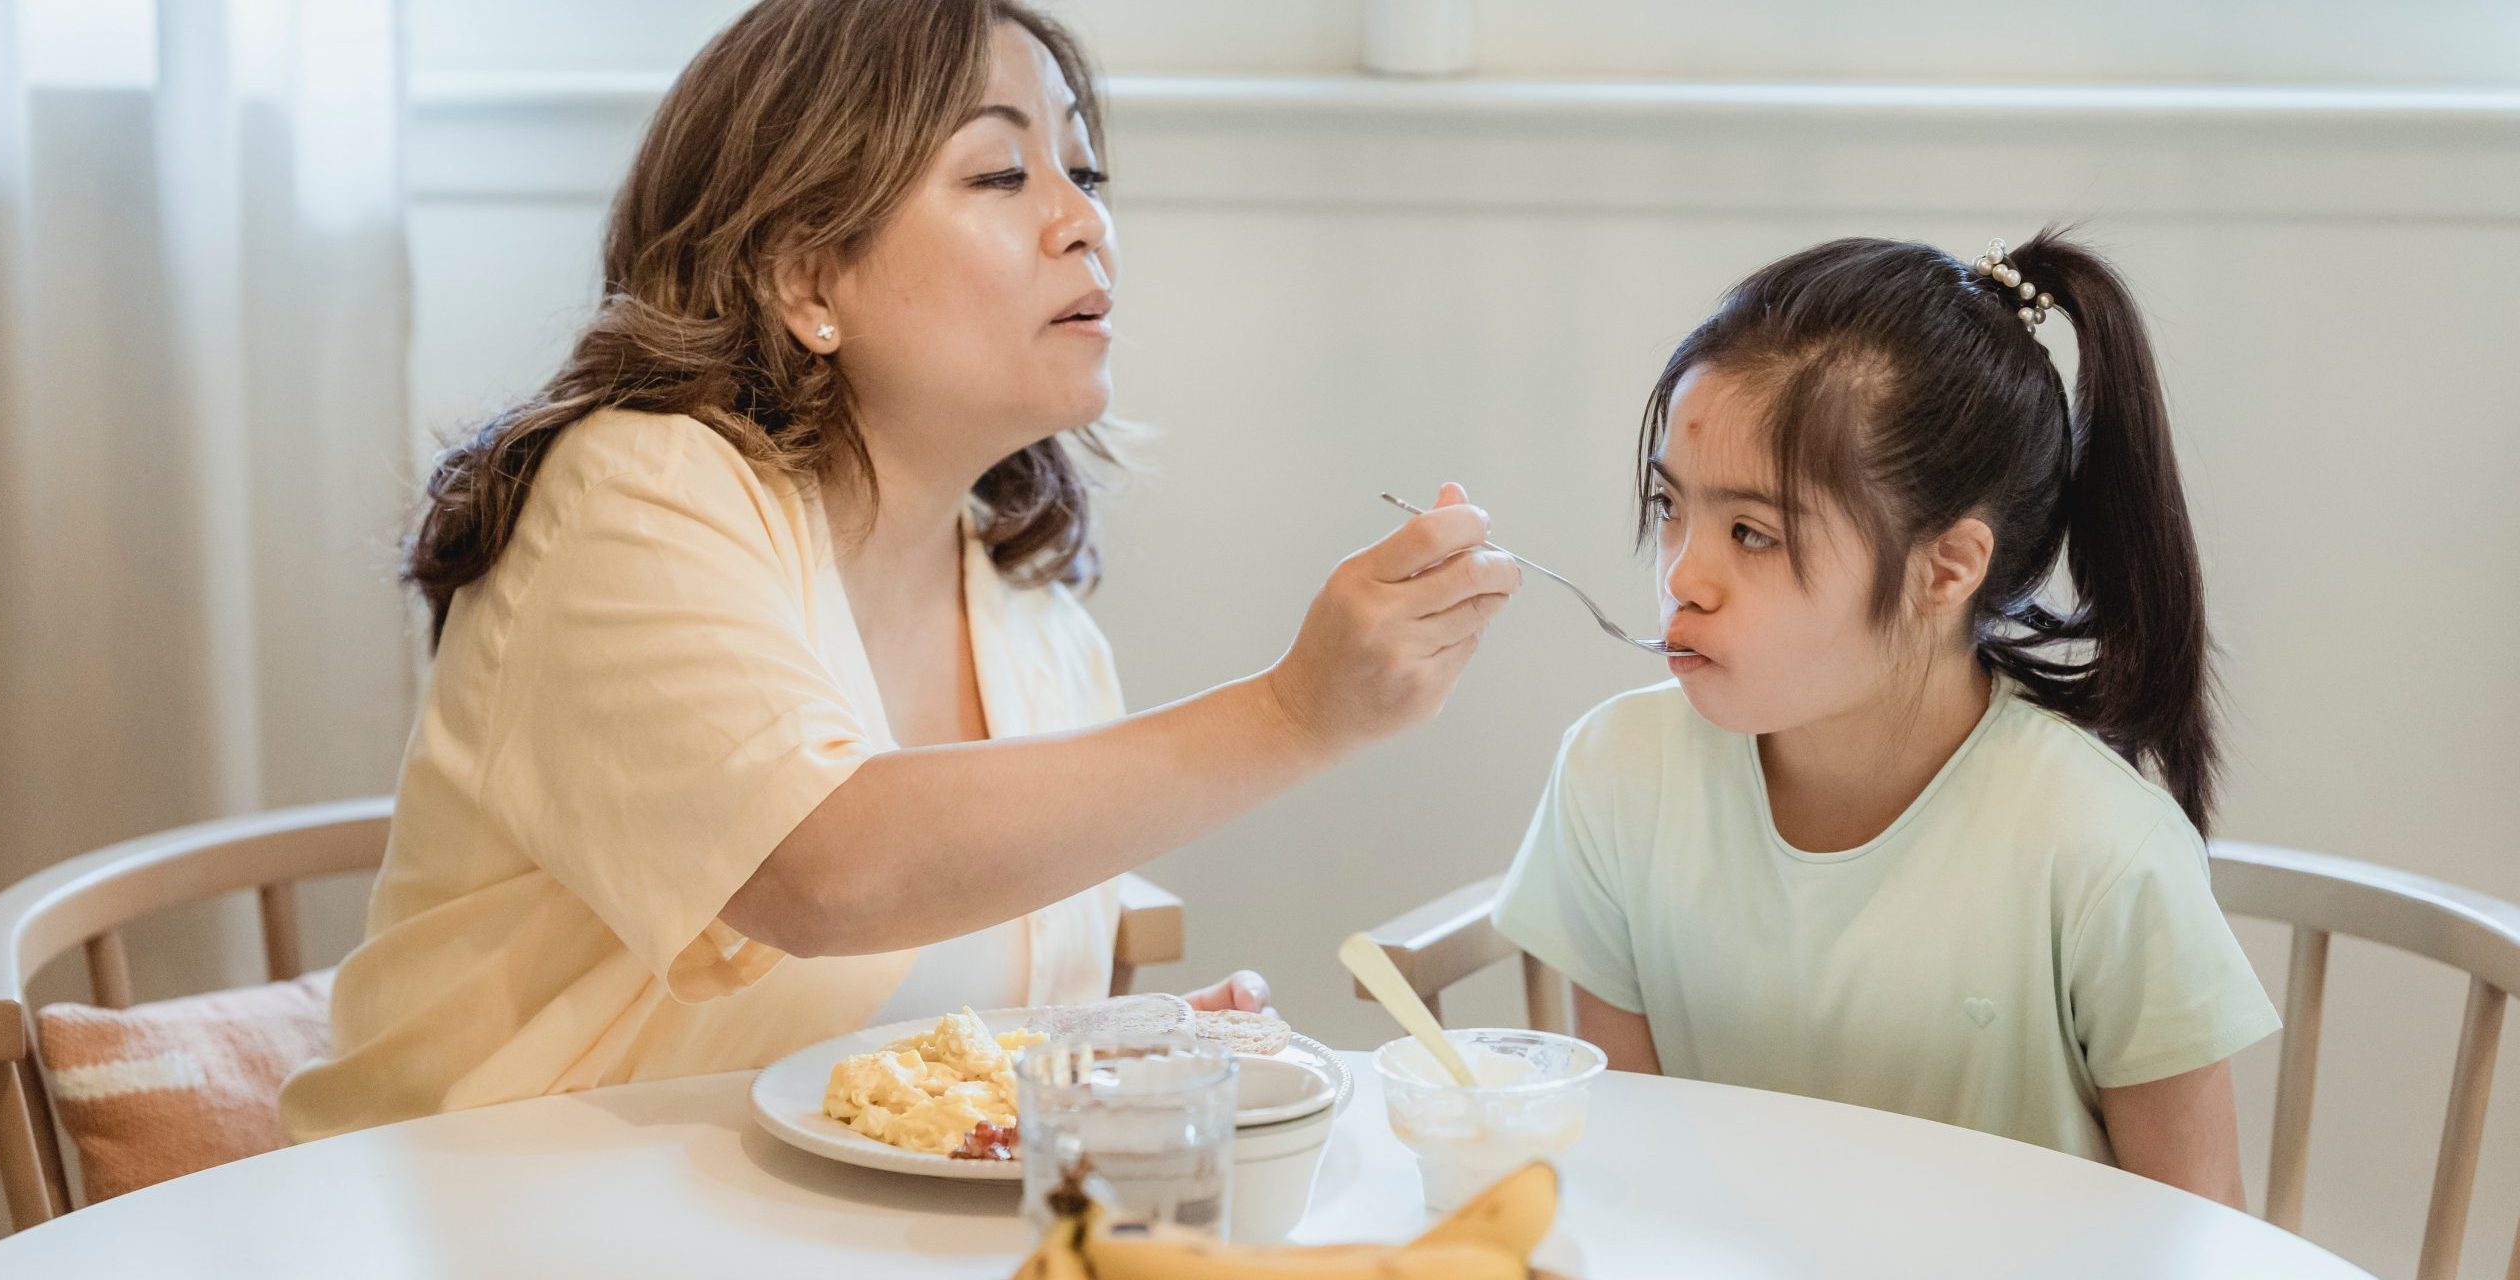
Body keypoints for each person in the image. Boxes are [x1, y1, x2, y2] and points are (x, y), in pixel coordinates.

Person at [280, 0, 1520, 1141]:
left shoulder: (1030, 614)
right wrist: (1292, 712)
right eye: (999, 170)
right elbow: (823, 870)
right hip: (488, 1228)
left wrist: (1122, 1052)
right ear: (807, 277)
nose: (1081, 216)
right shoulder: (630, 493)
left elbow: (923, 1042)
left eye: (1083, 170)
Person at [1490, 230, 2279, 1206]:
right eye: (1669, 505)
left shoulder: (2099, 851)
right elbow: (1629, 1173)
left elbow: (2201, 1239)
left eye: (1751, 532)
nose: (1682, 575)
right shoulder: (1615, 774)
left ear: (1946, 568)